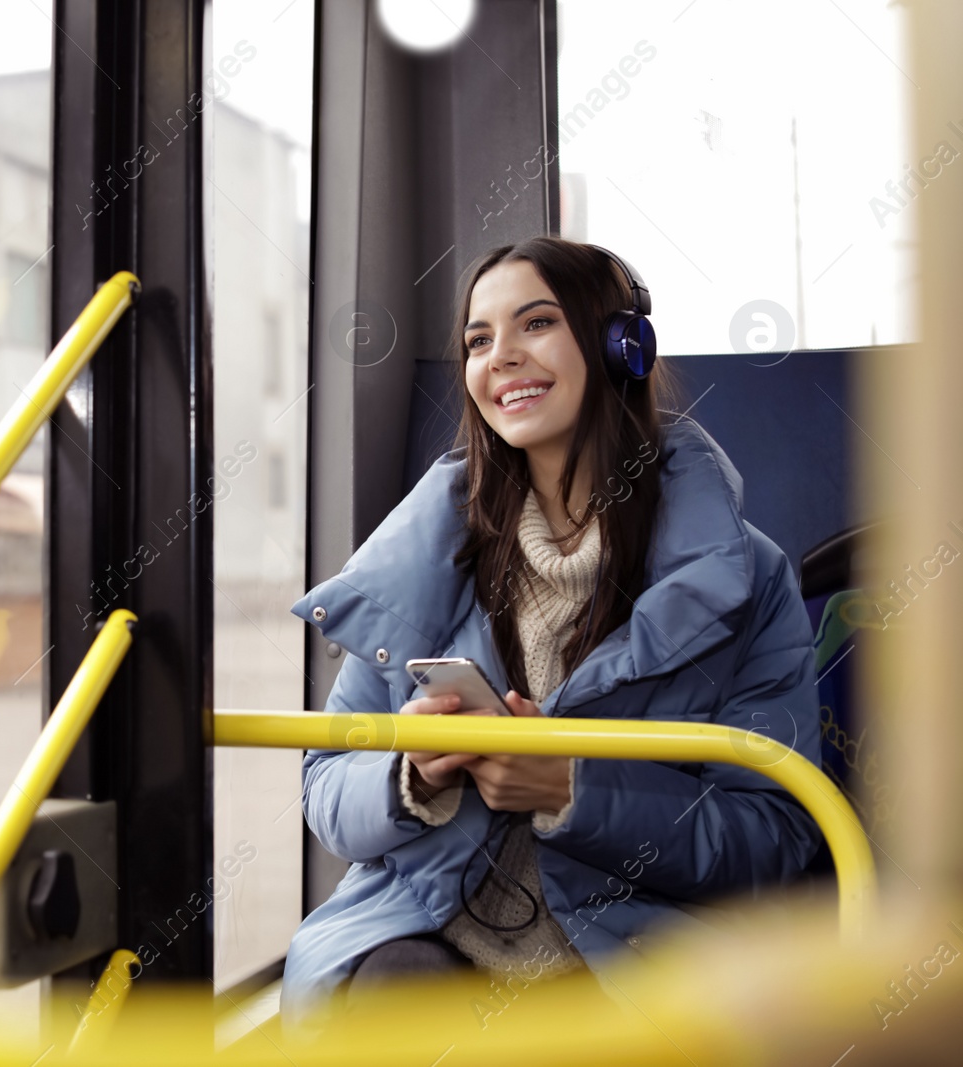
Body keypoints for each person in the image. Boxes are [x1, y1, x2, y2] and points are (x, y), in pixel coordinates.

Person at [279, 236, 824, 1034]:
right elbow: (326, 782)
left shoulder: (744, 579)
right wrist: (410, 778)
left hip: (635, 954)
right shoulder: (422, 561)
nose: (500, 356)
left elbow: (775, 834)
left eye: (535, 323)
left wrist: (576, 791)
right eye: (477, 339)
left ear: (620, 345)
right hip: (425, 934)